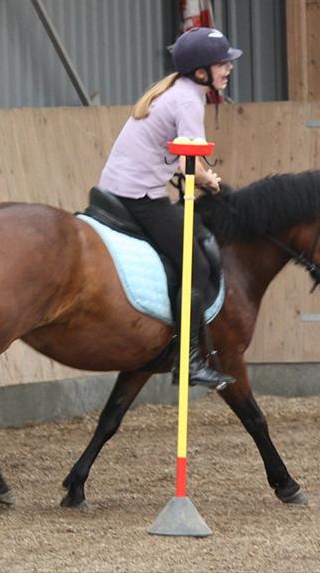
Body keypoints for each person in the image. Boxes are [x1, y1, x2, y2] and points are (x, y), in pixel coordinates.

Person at [98, 27, 241, 389]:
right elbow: (187, 163)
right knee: (196, 264)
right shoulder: (188, 100)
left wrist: (203, 175)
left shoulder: (176, 91)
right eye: (222, 63)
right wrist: (207, 179)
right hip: (139, 196)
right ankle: (189, 360)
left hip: (120, 186)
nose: (228, 69)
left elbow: (182, 157)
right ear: (200, 72)